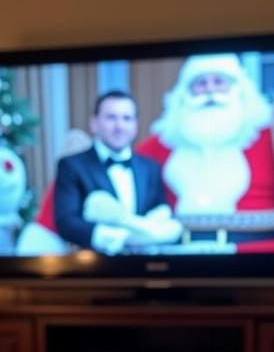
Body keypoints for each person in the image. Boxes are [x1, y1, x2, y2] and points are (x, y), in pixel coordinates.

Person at [137, 54, 274, 253]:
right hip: (177, 262)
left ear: (239, 89)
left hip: (261, 264)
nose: (210, 91)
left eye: (219, 82)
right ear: (184, 94)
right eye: (200, 83)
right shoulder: (160, 144)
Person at [53, 91, 181, 255]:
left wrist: (150, 230)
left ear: (135, 125)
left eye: (126, 118)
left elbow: (161, 210)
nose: (119, 126)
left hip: (145, 267)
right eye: (111, 118)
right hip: (95, 269)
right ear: (94, 123)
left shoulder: (150, 167)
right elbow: (66, 223)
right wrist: (123, 238)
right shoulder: (71, 165)